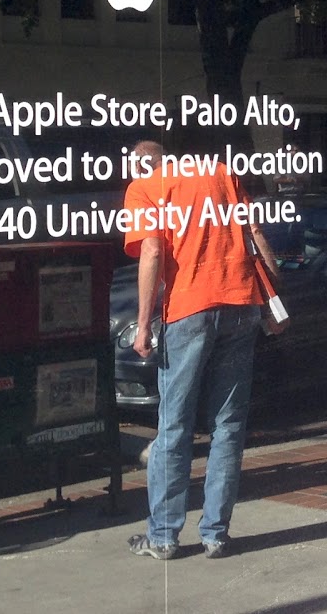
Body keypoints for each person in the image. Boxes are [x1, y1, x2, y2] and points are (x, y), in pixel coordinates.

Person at [122, 135, 286, 561]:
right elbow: (254, 235)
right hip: (240, 302)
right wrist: (275, 294)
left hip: (190, 308)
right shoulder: (220, 173)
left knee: (174, 425)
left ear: (141, 165)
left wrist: (142, 325)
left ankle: (163, 535)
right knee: (228, 424)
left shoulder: (145, 188)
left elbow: (153, 252)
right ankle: (215, 533)